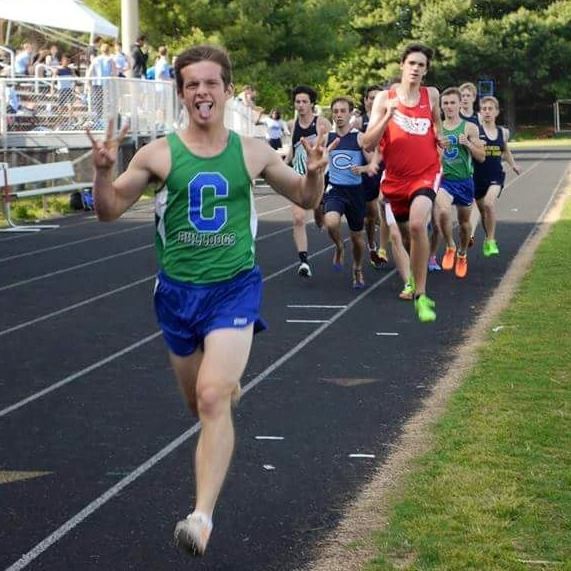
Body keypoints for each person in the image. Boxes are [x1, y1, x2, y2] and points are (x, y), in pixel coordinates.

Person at [88, 44, 332, 557]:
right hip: (177, 296)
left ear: (226, 89)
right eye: (192, 84)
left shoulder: (251, 152)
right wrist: (103, 173)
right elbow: (108, 211)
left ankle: (201, 518)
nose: (202, 92)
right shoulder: (157, 154)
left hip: (234, 288)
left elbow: (306, 200)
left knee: (212, 397)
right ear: (182, 93)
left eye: (211, 83)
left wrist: (313, 171)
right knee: (198, 402)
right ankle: (222, 384)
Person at [362, 43, 444, 323]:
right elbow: (367, 142)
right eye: (412, 63)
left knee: (420, 223)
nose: (416, 69)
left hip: (426, 172)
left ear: (426, 70)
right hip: (396, 180)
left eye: (421, 65)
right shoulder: (385, 98)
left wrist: (440, 139)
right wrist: (388, 114)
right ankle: (413, 282)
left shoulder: (431, 94)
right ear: (402, 66)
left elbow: (436, 124)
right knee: (407, 235)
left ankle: (421, 293)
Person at [435, 87, 485, 278]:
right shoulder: (436, 129)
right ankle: (450, 246)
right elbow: (430, 158)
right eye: (445, 103)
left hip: (464, 181)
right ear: (441, 106)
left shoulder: (469, 128)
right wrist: (438, 150)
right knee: (444, 211)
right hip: (444, 180)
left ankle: (462, 254)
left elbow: (481, 157)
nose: (449, 106)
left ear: (459, 104)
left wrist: (467, 144)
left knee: (465, 224)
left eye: (452, 103)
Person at [324, 96, 372, 288]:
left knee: (357, 238)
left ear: (351, 113)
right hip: (335, 189)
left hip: (355, 192)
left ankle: (357, 268)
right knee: (331, 222)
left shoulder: (359, 137)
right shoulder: (328, 138)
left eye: (343, 111)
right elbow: (319, 163)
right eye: (335, 111)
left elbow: (374, 162)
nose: (339, 115)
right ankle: (338, 246)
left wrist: (362, 169)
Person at [286, 85, 332, 278]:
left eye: (305, 101)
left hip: (318, 174)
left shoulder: (322, 123)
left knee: (319, 212)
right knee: (297, 218)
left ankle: (320, 210)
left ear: (312, 103)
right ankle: (304, 261)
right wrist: (282, 164)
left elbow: (326, 150)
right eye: (298, 101)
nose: (301, 105)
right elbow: (292, 148)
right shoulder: (292, 124)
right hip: (297, 175)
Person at [471, 95, 520, 256]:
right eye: (484, 109)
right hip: (477, 177)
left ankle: (491, 240)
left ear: (497, 112)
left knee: (489, 204)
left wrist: (513, 165)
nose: (487, 112)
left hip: (496, 176)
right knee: (484, 213)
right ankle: (488, 237)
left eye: (490, 109)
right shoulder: (476, 132)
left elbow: (505, 150)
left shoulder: (502, 132)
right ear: (480, 112)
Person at [359, 84, 390, 269]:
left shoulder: (391, 119)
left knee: (385, 210)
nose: (374, 100)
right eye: (371, 97)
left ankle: (387, 245)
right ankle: (372, 246)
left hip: (388, 168)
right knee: (370, 216)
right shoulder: (359, 122)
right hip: (370, 172)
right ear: (366, 101)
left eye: (378, 97)